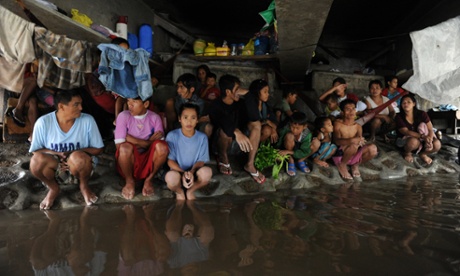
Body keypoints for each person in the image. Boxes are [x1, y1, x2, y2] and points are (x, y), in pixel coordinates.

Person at [29, 89, 104, 209]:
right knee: (36, 162)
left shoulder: (87, 120)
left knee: (79, 157)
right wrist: (57, 154)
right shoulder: (43, 122)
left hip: (79, 166)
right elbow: (35, 150)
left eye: (80, 104)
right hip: (55, 168)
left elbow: (98, 149)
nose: (80, 108)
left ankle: (84, 186)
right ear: (61, 106)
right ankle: (53, 188)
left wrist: (71, 154)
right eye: (76, 104)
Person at [208, 74, 265, 184]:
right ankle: (223, 159)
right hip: (221, 144)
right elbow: (221, 122)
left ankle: (250, 164)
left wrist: (248, 95)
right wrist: (236, 131)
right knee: (225, 132)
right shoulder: (215, 105)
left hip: (241, 144)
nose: (240, 91)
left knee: (256, 124)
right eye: (237, 89)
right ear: (228, 92)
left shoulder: (241, 103)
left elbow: (255, 117)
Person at [114, 97, 169, 200]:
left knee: (162, 147)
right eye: (128, 101)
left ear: (146, 104)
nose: (130, 104)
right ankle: (129, 181)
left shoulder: (155, 117)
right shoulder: (123, 116)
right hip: (129, 161)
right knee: (125, 148)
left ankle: (149, 179)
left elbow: (160, 145)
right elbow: (119, 146)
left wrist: (131, 139)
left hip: (148, 161)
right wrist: (148, 143)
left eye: (134, 101)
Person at [165, 103, 212, 200]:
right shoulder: (172, 136)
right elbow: (170, 161)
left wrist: (192, 172)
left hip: (194, 171)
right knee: (170, 178)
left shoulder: (202, 137)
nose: (189, 121)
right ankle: (179, 191)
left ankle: (191, 191)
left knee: (207, 172)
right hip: (177, 171)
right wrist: (183, 173)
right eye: (185, 117)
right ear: (179, 119)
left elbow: (201, 160)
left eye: (193, 118)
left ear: (197, 120)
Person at [332, 99, 378, 180]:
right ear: (342, 112)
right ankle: (342, 165)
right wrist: (351, 141)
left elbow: (359, 141)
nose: (351, 111)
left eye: (353, 108)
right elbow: (336, 141)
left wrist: (360, 141)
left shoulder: (358, 126)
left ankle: (355, 165)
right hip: (341, 154)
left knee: (373, 149)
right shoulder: (338, 124)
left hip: (353, 152)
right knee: (353, 145)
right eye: (348, 109)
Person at [165, 200, 214, 272]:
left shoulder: (174, 263)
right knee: (207, 234)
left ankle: (178, 205)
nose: (190, 272)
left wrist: (183, 238)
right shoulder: (203, 258)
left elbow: (167, 247)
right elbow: (208, 246)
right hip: (198, 230)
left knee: (172, 235)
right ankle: (192, 205)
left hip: (176, 231)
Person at [394, 93, 441, 164]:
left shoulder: (422, 114)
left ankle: (423, 154)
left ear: (414, 104)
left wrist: (429, 141)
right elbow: (405, 131)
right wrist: (422, 136)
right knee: (413, 141)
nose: (406, 104)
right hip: (406, 142)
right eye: (404, 102)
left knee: (437, 144)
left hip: (422, 141)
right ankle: (407, 153)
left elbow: (430, 129)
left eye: (409, 102)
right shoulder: (399, 117)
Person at [276, 111, 319, 176]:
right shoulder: (286, 129)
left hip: (298, 150)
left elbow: (305, 151)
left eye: (298, 128)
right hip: (287, 147)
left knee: (316, 143)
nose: (294, 130)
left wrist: (288, 152)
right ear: (290, 124)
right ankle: (291, 161)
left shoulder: (307, 134)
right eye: (292, 127)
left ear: (304, 127)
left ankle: (301, 161)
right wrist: (278, 151)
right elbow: (279, 142)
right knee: (289, 135)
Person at [242, 79, 278, 144]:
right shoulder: (248, 105)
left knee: (268, 130)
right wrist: (266, 122)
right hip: (247, 133)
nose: (268, 94)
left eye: (268, 92)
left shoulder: (266, 106)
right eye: (265, 92)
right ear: (257, 92)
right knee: (267, 130)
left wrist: (273, 128)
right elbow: (247, 124)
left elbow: (274, 123)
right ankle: (251, 149)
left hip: (260, 131)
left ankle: (259, 149)